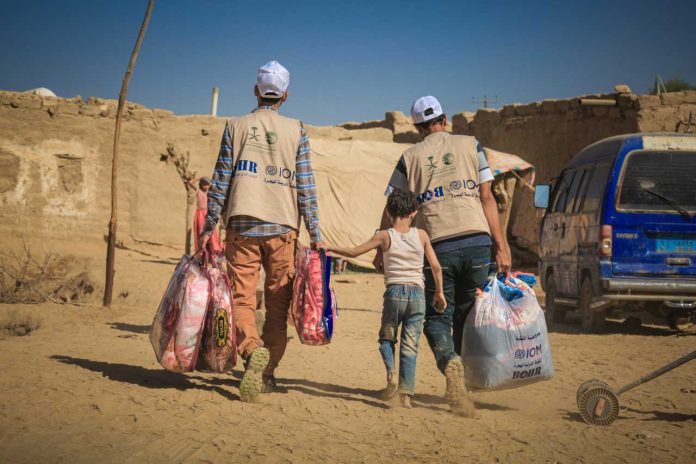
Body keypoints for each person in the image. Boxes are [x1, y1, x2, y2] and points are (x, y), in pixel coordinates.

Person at [374, 96, 511, 416]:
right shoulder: (471, 145)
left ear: (418, 127)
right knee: (468, 315)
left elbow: (392, 206)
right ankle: (462, 384)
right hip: (478, 242)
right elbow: (487, 197)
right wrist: (501, 245)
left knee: (436, 317)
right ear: (445, 119)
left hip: (437, 247)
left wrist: (383, 247)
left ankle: (451, 364)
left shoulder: (409, 157)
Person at [201, 60, 323, 402]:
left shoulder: (234, 126)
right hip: (283, 227)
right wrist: (314, 229)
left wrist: (210, 222)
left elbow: (221, 178)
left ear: (256, 90)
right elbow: (306, 186)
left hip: (241, 224)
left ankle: (252, 350)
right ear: (284, 95)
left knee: (241, 298)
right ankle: (267, 373)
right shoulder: (296, 129)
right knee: (277, 305)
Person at [326, 189, 446, 408]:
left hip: (394, 294)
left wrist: (328, 246)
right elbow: (436, 267)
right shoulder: (421, 235)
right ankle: (406, 395)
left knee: (386, 339)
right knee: (410, 346)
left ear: (389, 213)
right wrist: (439, 292)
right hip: (418, 296)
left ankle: (391, 374)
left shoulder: (384, 236)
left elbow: (353, 252)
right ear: (414, 212)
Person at [189, 177, 221, 255]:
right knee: (201, 231)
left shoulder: (210, 192)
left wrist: (210, 182)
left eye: (207, 185)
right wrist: (200, 178)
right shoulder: (198, 190)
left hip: (208, 212)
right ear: (201, 185)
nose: (206, 187)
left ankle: (213, 250)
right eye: (204, 185)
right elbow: (190, 182)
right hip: (200, 213)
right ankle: (201, 251)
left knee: (210, 231)